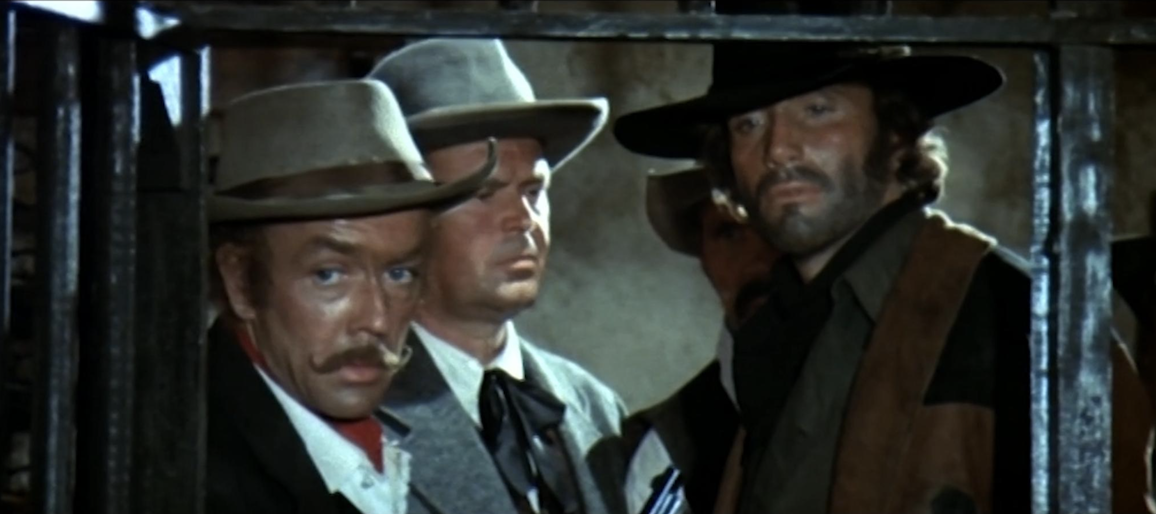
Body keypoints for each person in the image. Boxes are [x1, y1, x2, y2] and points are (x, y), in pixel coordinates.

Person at [614, 43, 1155, 513]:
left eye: (817, 110)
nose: (777, 149)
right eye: (748, 125)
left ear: (896, 131)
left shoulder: (1018, 322)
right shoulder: (768, 339)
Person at [368, 38, 674, 514]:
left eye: (534, 191)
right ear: (402, 220)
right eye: (484, 194)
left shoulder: (594, 407)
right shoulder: (354, 411)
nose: (523, 219)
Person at [205, 79, 493, 514]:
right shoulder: (190, 473)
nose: (376, 320)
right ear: (240, 281)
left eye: (400, 274)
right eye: (329, 275)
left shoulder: (382, 440)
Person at [624, 166, 781, 514]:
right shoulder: (665, 448)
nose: (758, 262)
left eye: (773, 228)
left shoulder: (886, 391)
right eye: (729, 234)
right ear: (703, 258)